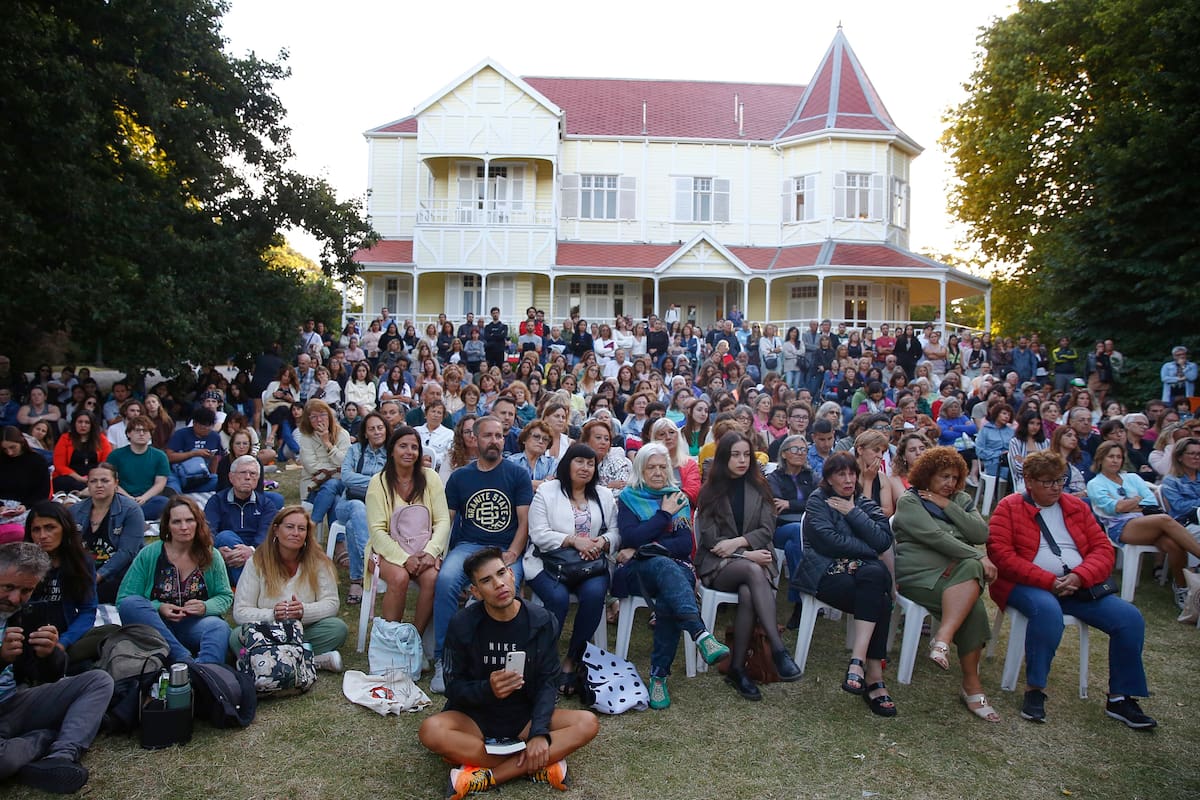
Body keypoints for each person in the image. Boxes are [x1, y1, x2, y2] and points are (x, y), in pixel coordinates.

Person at [987, 450, 1157, 728]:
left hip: (1077, 585)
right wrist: (1048, 581)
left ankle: (1120, 698)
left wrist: (1080, 576)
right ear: (1028, 480)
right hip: (1026, 585)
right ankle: (1035, 689)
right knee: (1047, 610)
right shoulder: (1009, 507)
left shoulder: (1076, 507)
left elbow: (1102, 549)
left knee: (1129, 618)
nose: (1056, 487)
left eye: (1060, 480)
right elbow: (1002, 557)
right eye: (1048, 482)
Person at [417, 547, 599, 799]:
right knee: (431, 730)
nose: (499, 584)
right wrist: (487, 688)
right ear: (476, 592)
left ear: (513, 575)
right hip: (475, 719)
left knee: (587, 723)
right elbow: (453, 686)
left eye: (502, 573)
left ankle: (485, 776)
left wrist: (538, 733)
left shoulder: (542, 620)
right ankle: (537, 764)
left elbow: (548, 682)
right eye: (486, 581)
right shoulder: (463, 624)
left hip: (525, 717)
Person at [893, 447, 998, 722]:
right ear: (927, 476)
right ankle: (970, 685)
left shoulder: (961, 500)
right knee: (974, 591)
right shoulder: (910, 500)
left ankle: (944, 641)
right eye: (943, 477)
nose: (950, 483)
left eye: (954, 477)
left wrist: (947, 505)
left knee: (972, 590)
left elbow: (980, 532)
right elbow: (935, 536)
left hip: (957, 575)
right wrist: (977, 554)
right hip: (919, 575)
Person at [430, 416, 534, 694]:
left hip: (504, 549)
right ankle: (443, 658)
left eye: (499, 436)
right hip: (468, 546)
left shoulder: (517, 474)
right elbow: (447, 520)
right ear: (475, 439)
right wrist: (439, 552)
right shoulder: (461, 477)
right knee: (445, 581)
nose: (494, 441)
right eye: (488, 435)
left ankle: (512, 663)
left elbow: (524, 521)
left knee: (507, 589)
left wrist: (513, 551)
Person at [0, 542, 114, 795]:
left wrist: (49, 654)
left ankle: (61, 756)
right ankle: (46, 738)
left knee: (98, 681)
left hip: (12, 703)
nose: (15, 598)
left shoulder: (25, 613)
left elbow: (46, 677)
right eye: (8, 588)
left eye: (26, 590)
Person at [695, 432, 801, 700]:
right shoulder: (710, 490)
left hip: (755, 558)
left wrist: (739, 544)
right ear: (723, 458)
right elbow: (710, 539)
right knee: (753, 572)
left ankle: (738, 669)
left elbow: (767, 529)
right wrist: (745, 555)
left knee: (747, 592)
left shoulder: (761, 486)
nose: (742, 460)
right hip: (719, 564)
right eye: (735, 455)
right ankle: (778, 649)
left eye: (746, 455)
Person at [794, 453, 896, 716]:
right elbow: (828, 541)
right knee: (880, 596)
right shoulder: (819, 500)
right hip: (826, 574)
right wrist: (868, 551)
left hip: (863, 579)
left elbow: (884, 539)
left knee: (873, 580)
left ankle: (857, 662)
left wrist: (853, 512)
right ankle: (873, 678)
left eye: (852, 473)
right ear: (828, 478)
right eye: (841, 474)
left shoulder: (864, 503)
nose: (848, 479)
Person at [526, 443, 617, 694]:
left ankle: (572, 660)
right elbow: (539, 534)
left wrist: (604, 541)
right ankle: (545, 661)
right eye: (580, 461)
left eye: (590, 463)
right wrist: (572, 539)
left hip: (589, 564)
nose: (585, 468)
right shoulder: (547, 491)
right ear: (568, 463)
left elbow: (615, 530)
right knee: (558, 599)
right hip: (549, 562)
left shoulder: (603, 494)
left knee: (594, 596)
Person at [116, 496, 232, 665]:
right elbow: (123, 600)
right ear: (167, 526)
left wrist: (205, 607)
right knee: (131, 603)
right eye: (177, 522)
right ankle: (183, 658)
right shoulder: (150, 554)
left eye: (189, 520)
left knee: (219, 627)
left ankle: (206, 673)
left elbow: (225, 597)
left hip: (194, 624)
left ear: (198, 522)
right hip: (156, 625)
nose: (184, 527)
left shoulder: (211, 555)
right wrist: (159, 607)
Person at [229, 505, 346, 672]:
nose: (296, 533)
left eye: (301, 529)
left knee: (337, 628)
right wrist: (273, 614)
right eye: (290, 527)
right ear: (276, 530)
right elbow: (240, 611)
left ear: (307, 534)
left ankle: (266, 662)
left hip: (303, 628)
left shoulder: (318, 561)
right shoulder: (257, 562)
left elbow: (332, 603)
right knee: (236, 637)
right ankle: (311, 660)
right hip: (267, 630)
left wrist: (303, 611)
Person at [1087, 441, 1200, 609]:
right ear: (1101, 459)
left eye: (1119, 457)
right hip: (1121, 527)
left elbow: (1150, 500)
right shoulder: (1095, 483)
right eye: (1111, 457)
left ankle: (1181, 588)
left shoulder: (1132, 477)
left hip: (1147, 521)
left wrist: (1128, 503)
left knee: (1173, 545)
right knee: (1165, 519)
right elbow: (1113, 508)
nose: (1115, 460)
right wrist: (1133, 501)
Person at [365, 427, 450, 628]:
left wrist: (430, 552)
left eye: (414, 447)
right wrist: (404, 559)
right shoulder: (378, 482)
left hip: (422, 549)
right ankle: (391, 641)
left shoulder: (431, 478)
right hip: (384, 551)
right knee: (400, 577)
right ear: (392, 450)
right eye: (403, 446)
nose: (409, 452)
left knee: (432, 578)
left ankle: (414, 640)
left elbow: (443, 521)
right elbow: (377, 532)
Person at [23, 502, 97, 661]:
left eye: (50, 527)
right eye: (36, 529)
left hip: (65, 639)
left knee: (107, 634)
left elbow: (88, 610)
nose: (42, 535)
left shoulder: (81, 562)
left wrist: (62, 643)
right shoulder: (22, 564)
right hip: (27, 639)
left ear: (65, 529)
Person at [69, 464, 145, 603]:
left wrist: (99, 575)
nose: (99, 485)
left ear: (116, 483)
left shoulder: (131, 510)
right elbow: (69, 548)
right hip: (85, 570)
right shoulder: (75, 510)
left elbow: (127, 552)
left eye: (105, 481)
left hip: (119, 571)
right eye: (93, 481)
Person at [335, 411, 390, 605]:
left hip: (379, 508)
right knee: (357, 508)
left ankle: (357, 581)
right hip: (348, 504)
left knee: (352, 527)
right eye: (372, 429)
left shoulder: (392, 451)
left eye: (380, 428)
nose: (376, 432)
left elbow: (394, 481)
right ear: (365, 433)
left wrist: (365, 483)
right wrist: (377, 481)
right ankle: (374, 563)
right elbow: (346, 477)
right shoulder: (355, 450)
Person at [203, 456, 282, 586]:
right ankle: (251, 590)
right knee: (225, 536)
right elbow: (208, 532)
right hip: (224, 558)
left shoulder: (266, 505)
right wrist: (215, 552)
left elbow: (266, 535)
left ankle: (246, 589)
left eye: (253, 474)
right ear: (231, 477)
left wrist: (250, 551)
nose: (247, 477)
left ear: (257, 479)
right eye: (243, 473)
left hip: (257, 558)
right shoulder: (216, 501)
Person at [768, 434, 816, 628]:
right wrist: (800, 506)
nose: (800, 453)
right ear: (785, 454)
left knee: (793, 545)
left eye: (804, 450)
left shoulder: (811, 477)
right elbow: (778, 507)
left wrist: (791, 504)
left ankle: (799, 601)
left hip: (806, 530)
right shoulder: (774, 478)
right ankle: (804, 597)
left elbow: (817, 502)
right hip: (780, 529)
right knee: (795, 533)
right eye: (795, 449)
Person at [105, 415, 173, 521]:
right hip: (122, 497)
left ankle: (130, 516)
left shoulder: (160, 456)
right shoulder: (115, 455)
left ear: (150, 435)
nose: (141, 434)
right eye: (137, 430)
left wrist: (143, 498)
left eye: (145, 431)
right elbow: (110, 482)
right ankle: (132, 515)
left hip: (148, 499)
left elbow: (160, 483)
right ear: (128, 433)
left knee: (164, 503)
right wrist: (129, 498)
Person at [298, 399, 351, 533]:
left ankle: (311, 526)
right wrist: (335, 469)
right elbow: (311, 466)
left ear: (329, 415)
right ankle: (339, 544)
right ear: (308, 420)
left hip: (340, 484)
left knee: (333, 484)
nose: (319, 420)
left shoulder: (342, 434)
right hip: (313, 486)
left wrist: (327, 443)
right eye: (313, 417)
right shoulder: (306, 437)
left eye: (322, 414)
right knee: (334, 496)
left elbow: (346, 463)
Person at [0, 427, 51, 544]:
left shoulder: (37, 461)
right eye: (5, 449)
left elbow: (42, 492)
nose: (9, 452)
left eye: (13, 447)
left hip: (27, 507)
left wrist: (26, 505)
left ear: (22, 442)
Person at [164, 406, 222, 493]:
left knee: (218, 480)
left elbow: (215, 459)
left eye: (209, 426)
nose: (206, 429)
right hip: (180, 475)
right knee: (171, 482)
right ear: (194, 423)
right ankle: (177, 492)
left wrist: (212, 473)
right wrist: (193, 453)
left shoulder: (215, 437)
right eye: (203, 427)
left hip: (202, 476)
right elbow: (168, 457)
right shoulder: (181, 434)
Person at [52, 411, 111, 495]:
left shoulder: (101, 439)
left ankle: (84, 492)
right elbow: (60, 465)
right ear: (74, 423)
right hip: (71, 477)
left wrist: (92, 478)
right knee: (62, 481)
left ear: (92, 425)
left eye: (87, 422)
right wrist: (80, 478)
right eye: (80, 422)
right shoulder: (65, 438)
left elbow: (105, 463)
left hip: (95, 477)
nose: (83, 425)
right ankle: (85, 492)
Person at [506, 420, 556, 493]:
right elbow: (509, 487)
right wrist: (545, 482)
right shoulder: (511, 461)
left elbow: (553, 488)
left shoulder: (552, 463)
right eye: (536, 436)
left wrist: (521, 484)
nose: (541, 441)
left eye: (545, 439)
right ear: (524, 439)